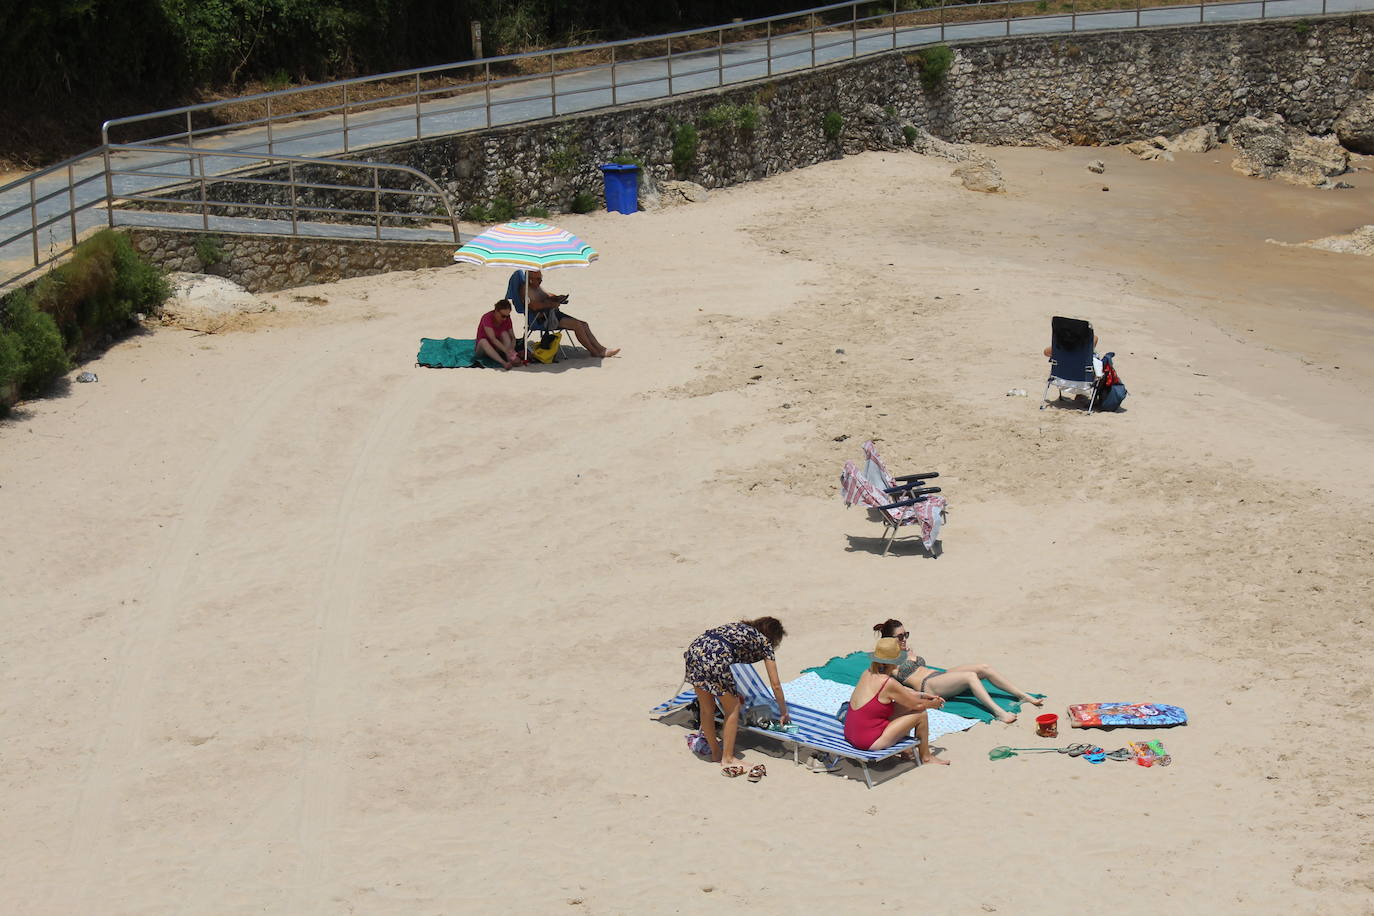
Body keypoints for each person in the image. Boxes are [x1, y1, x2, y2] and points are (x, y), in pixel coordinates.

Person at [873, 618, 1042, 724]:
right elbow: (888, 683)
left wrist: (908, 653)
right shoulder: (888, 661)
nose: (905, 639)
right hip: (929, 686)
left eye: (906, 634)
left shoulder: (906, 650)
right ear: (889, 639)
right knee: (970, 676)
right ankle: (999, 713)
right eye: (900, 636)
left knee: (983, 667)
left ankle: (1023, 695)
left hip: (938, 677)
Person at [683, 617, 789, 779]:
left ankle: (716, 753)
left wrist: (731, 690)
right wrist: (783, 712)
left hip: (696, 650)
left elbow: (721, 652)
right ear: (773, 636)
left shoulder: (739, 628)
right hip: (715, 658)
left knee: (706, 709)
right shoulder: (765, 643)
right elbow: (775, 684)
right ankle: (728, 758)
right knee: (732, 709)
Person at [844, 637, 950, 765]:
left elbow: (903, 693)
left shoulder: (867, 673)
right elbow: (917, 704)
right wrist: (934, 704)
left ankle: (906, 752)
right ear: (892, 662)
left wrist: (922, 694)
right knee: (920, 713)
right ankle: (926, 757)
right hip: (869, 741)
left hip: (851, 734)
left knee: (905, 703)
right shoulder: (888, 683)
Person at [506, 268, 620, 359]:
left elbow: (546, 295)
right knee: (578, 326)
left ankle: (601, 349)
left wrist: (556, 297)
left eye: (541, 279)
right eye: (538, 280)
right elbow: (533, 306)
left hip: (551, 314)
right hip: (541, 320)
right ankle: (594, 351)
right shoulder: (525, 290)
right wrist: (550, 305)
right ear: (530, 279)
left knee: (584, 324)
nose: (540, 282)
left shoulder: (535, 286)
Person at [474, 299, 523, 370]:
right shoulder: (487, 318)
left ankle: (509, 359)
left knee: (504, 333)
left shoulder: (507, 319)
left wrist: (511, 349)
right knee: (483, 341)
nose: (505, 319)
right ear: (496, 311)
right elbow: (492, 339)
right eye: (503, 316)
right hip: (483, 350)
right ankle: (503, 362)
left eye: (507, 316)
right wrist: (507, 350)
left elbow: (513, 338)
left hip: (499, 349)